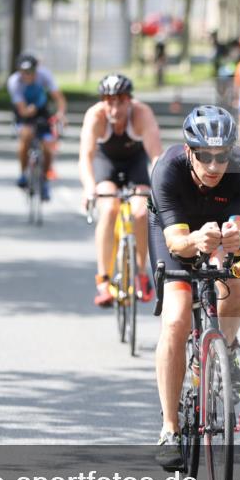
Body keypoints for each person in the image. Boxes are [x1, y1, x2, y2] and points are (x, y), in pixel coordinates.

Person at [149, 105, 240, 470]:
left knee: (236, 283)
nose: (214, 165)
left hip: (218, 232)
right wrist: (196, 240)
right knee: (176, 319)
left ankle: (224, 352)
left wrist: (237, 242)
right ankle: (169, 428)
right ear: (189, 151)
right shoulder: (168, 169)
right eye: (205, 156)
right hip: (178, 235)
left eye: (222, 156)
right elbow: (177, 244)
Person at [78, 73, 163, 307]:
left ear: (130, 100)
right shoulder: (95, 116)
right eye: (109, 100)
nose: (114, 106)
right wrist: (88, 188)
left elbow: (156, 156)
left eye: (121, 100)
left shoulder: (142, 114)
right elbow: (85, 157)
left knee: (142, 212)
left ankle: (140, 272)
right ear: (103, 101)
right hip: (106, 164)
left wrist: (159, 189)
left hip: (135, 163)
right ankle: (103, 280)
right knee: (109, 209)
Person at [7, 52, 67, 200]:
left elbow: (58, 97)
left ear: (36, 69)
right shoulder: (14, 82)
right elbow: (22, 110)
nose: (27, 76)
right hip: (23, 112)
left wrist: (61, 114)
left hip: (41, 111)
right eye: (24, 73)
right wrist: (28, 110)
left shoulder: (44, 75)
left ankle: (45, 180)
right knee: (26, 135)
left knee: (48, 145)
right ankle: (23, 174)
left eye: (31, 72)